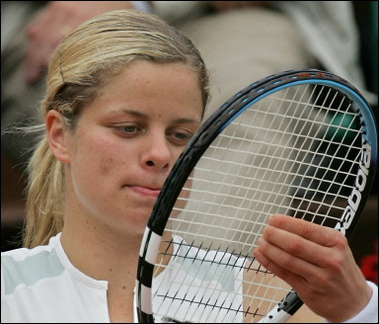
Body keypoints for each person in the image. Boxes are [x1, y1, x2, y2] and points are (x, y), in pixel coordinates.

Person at [1, 8, 377, 324]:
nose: (160, 154)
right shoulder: (9, 286)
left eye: (181, 136)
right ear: (60, 135)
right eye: (128, 128)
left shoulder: (258, 290)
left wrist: (360, 309)